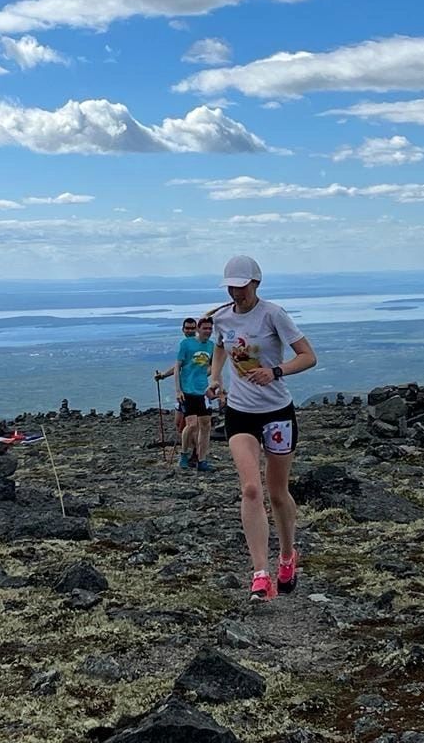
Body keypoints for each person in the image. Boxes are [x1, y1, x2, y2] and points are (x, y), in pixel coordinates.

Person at [207, 255, 317, 602]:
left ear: (256, 283)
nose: (236, 293)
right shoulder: (221, 316)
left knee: (277, 493)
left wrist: (276, 371)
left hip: (277, 412)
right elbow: (221, 349)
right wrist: (214, 378)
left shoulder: (273, 314)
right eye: (231, 287)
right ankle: (260, 574)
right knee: (251, 489)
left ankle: (287, 555)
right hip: (240, 413)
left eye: (242, 286)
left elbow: (307, 355)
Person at [175, 317, 217, 472]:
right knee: (191, 425)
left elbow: (212, 366)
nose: (208, 331)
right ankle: (184, 455)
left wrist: (210, 382)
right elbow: (177, 367)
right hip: (188, 391)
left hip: (202, 391)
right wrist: (178, 390)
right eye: (205, 328)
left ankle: (202, 460)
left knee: (206, 426)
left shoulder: (211, 346)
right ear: (198, 329)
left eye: (210, 329)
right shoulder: (186, 344)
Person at [155, 317, 199, 440]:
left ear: (196, 329)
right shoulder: (184, 346)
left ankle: (195, 453)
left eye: (192, 328)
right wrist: (163, 375)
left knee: (192, 424)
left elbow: (210, 367)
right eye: (187, 328)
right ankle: (191, 450)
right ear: (183, 330)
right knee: (179, 423)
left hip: (195, 390)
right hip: (183, 390)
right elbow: (178, 366)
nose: (190, 331)